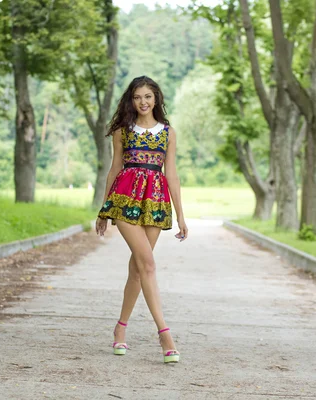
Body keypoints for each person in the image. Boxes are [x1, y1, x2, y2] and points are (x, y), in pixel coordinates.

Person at [95, 76, 188, 364]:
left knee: (138, 268)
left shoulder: (168, 133)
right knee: (147, 263)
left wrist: (181, 214)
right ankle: (165, 334)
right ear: (131, 100)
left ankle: (120, 328)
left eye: (148, 96)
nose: (143, 102)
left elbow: (171, 173)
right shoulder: (123, 131)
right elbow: (114, 169)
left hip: (155, 202)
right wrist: (103, 209)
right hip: (125, 199)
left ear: (157, 98)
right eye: (137, 97)